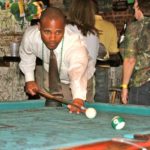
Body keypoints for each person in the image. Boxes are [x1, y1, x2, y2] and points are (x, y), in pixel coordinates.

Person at [19, 7, 95, 113]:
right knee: (49, 115)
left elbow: (77, 72)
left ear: (64, 28)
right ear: (39, 27)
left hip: (80, 81)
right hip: (51, 76)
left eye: (58, 32)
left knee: (77, 120)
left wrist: (78, 99)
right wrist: (29, 79)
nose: (52, 38)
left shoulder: (75, 44)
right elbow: (26, 54)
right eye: (47, 32)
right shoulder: (31, 37)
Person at [66, 0, 100, 102]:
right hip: (85, 80)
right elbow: (92, 62)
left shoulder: (64, 29)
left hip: (65, 79)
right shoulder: (93, 34)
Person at [92, 0, 122, 103]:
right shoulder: (110, 26)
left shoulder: (82, 26)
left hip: (84, 66)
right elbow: (114, 51)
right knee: (101, 96)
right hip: (103, 66)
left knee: (83, 95)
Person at [121, 0, 150, 105]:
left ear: (138, 5)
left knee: (139, 120)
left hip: (143, 83)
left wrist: (124, 87)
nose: (133, 7)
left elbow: (130, 60)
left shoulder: (135, 27)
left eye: (134, 4)